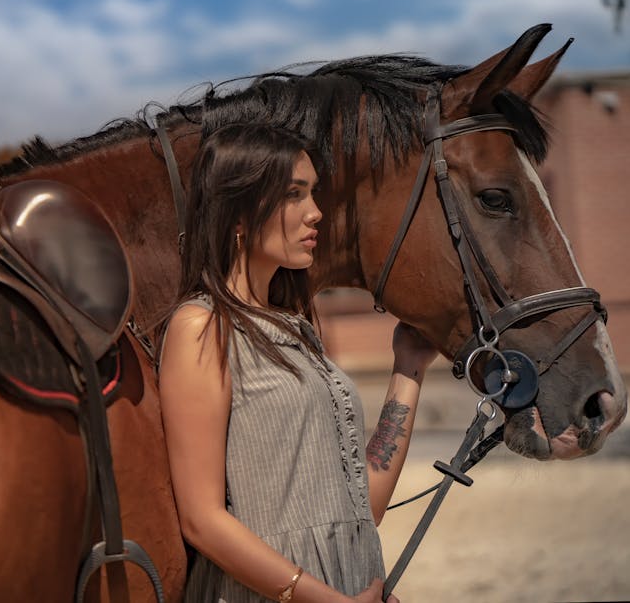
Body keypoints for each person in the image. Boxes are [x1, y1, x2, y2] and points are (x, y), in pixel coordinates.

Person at [158, 123, 438, 603]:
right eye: (294, 194)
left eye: (313, 193)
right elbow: (201, 519)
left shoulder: (298, 333)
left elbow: (363, 506)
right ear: (239, 212)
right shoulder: (202, 327)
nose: (316, 213)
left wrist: (408, 369)